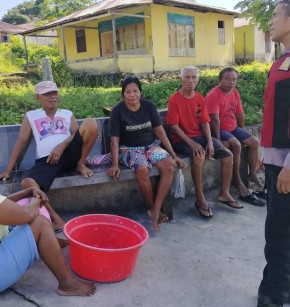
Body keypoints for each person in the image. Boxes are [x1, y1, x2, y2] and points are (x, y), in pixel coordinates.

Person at [0, 143, 96, 299]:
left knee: (16, 215)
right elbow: (27, 215)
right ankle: (67, 284)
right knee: (39, 222)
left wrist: (28, 191)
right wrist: (36, 199)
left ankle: (50, 243)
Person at [256, 0, 290, 307]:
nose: (271, 21)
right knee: (289, 231)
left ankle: (272, 298)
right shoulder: (286, 58)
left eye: (276, 15)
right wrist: (270, 159)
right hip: (279, 161)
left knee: (277, 237)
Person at [0, 81, 98, 231]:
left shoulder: (67, 114)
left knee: (91, 122)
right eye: (47, 94)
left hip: (71, 155)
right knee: (27, 183)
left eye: (55, 93)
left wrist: (62, 146)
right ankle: (56, 219)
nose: (52, 97)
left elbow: (76, 135)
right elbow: (21, 142)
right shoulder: (32, 116)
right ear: (37, 97)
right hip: (47, 161)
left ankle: (81, 164)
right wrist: (8, 170)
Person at [106, 76, 185, 232]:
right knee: (142, 169)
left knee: (169, 165)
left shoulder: (148, 106)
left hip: (150, 146)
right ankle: (150, 206)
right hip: (129, 149)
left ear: (140, 92)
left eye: (135, 91)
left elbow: (160, 132)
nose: (132, 94)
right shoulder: (118, 111)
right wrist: (115, 164)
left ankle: (155, 209)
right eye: (128, 92)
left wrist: (174, 154)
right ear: (123, 94)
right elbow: (114, 140)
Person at [166, 66, 243, 219]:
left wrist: (210, 141)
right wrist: (191, 144)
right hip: (181, 139)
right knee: (199, 156)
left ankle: (224, 193)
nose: (190, 80)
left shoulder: (200, 98)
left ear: (198, 79)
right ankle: (200, 198)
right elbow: (174, 127)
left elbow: (205, 123)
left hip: (200, 137)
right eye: (187, 77)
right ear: (181, 79)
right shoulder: (174, 99)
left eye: (193, 77)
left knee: (228, 155)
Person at [205, 67, 265, 207]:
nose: (231, 82)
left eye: (234, 79)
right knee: (236, 145)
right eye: (227, 79)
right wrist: (219, 140)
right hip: (219, 129)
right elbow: (214, 120)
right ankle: (237, 179)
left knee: (254, 142)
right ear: (220, 80)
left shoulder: (235, 92)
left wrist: (243, 132)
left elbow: (240, 114)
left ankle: (252, 173)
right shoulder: (213, 95)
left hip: (233, 127)